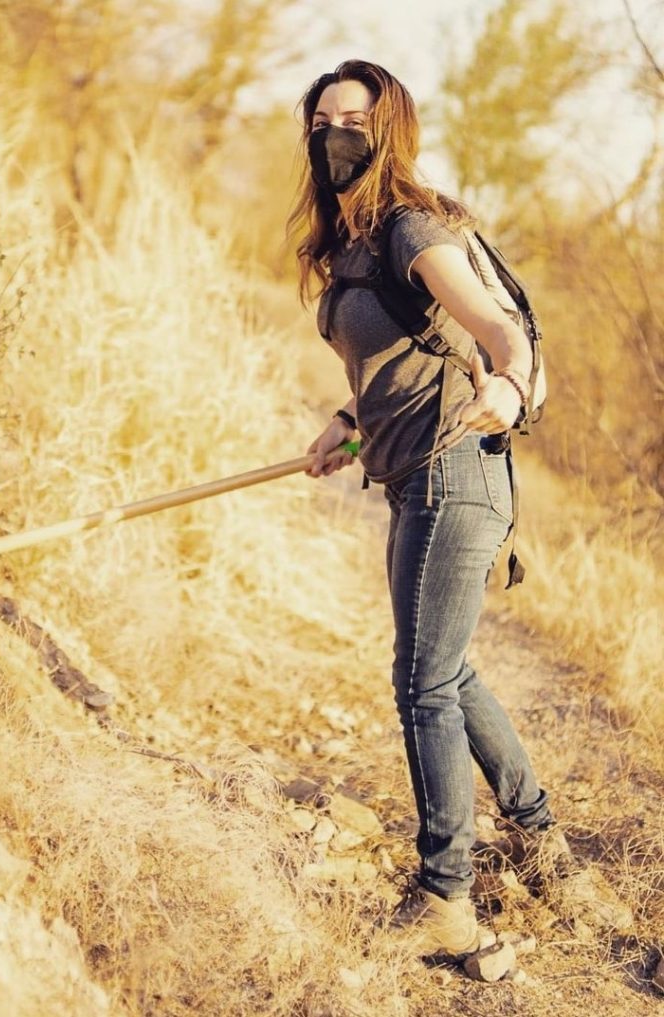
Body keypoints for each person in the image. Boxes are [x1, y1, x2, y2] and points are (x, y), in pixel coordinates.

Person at [291, 59, 559, 957]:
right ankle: (543, 835)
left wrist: (515, 386)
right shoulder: (353, 243)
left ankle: (447, 894)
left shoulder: (409, 227)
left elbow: (494, 328)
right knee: (443, 670)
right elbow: (401, 359)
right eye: (321, 120)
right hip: (411, 475)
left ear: (388, 128)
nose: (334, 135)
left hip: (457, 471)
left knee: (420, 682)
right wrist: (344, 421)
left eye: (352, 121)